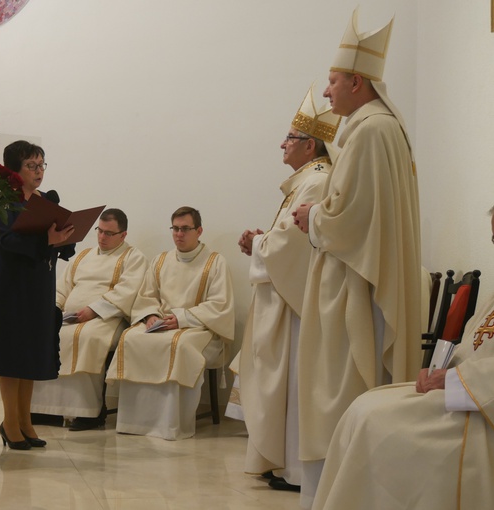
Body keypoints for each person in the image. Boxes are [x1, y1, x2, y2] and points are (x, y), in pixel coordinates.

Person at [291, 10, 422, 505]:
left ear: (357, 81)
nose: (326, 93)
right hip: (359, 274)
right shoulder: (382, 126)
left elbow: (353, 221)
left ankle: (339, 495)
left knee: (340, 391)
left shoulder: (369, 132)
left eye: (332, 81)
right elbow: (365, 210)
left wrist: (313, 218)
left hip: (355, 286)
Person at [312, 211, 494, 510]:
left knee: (376, 421)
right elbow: (470, 346)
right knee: (365, 406)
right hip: (468, 392)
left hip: (481, 410)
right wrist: (439, 371)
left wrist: (453, 380)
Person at [227, 86, 340, 492]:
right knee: (285, 383)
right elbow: (287, 240)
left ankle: (295, 468)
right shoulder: (305, 180)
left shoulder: (316, 181)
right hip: (287, 298)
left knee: (293, 382)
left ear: (310, 146)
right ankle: (282, 463)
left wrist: (258, 244)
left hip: (297, 307)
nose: (282, 144)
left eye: (289, 139)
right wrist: (262, 241)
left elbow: (291, 246)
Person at [106, 206, 235, 440]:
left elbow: (219, 305)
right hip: (162, 323)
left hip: (199, 328)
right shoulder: (161, 260)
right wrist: (150, 315)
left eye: (185, 229)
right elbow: (146, 296)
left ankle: (170, 424)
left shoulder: (215, 262)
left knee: (181, 346)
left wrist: (181, 319)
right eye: (175, 228)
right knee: (131, 337)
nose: (179, 234)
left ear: (199, 231)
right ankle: (134, 421)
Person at [0, 140, 76, 450]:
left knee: (31, 352)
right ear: (14, 170)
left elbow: (59, 244)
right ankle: (10, 423)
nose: (38, 172)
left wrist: (62, 237)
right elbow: (7, 240)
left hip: (38, 283)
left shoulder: (46, 200)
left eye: (41, 165)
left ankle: (25, 421)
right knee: (11, 353)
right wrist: (46, 241)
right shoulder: (1, 201)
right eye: (31, 166)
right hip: (9, 284)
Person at [30, 209, 148, 431]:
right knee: (44, 331)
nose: (102, 238)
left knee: (88, 338)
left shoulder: (133, 257)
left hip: (106, 317)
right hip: (70, 317)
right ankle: (46, 410)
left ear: (123, 235)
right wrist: (53, 308)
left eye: (109, 234)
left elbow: (128, 291)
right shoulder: (84, 255)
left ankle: (89, 413)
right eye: (99, 231)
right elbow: (62, 287)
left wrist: (94, 310)